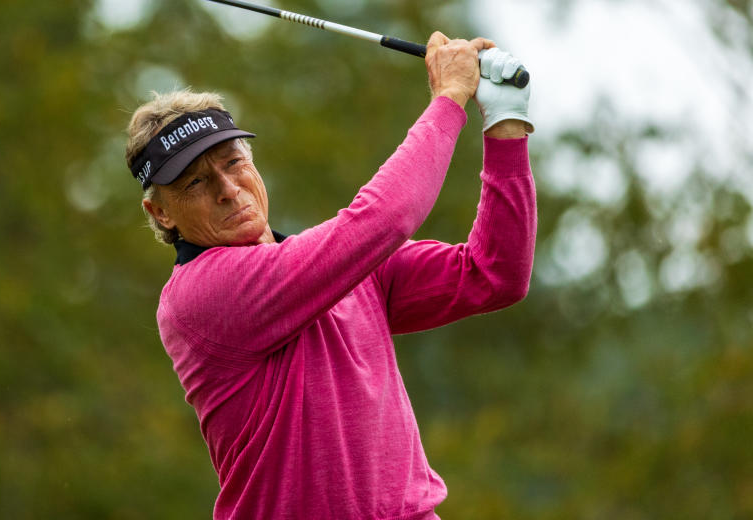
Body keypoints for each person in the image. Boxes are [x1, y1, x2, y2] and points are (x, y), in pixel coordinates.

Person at [125, 32, 537, 520]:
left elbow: (494, 273)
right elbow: (384, 219)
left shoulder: (339, 267)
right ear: (162, 213)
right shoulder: (199, 295)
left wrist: (506, 121)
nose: (229, 190)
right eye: (196, 182)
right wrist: (449, 99)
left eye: (234, 163)